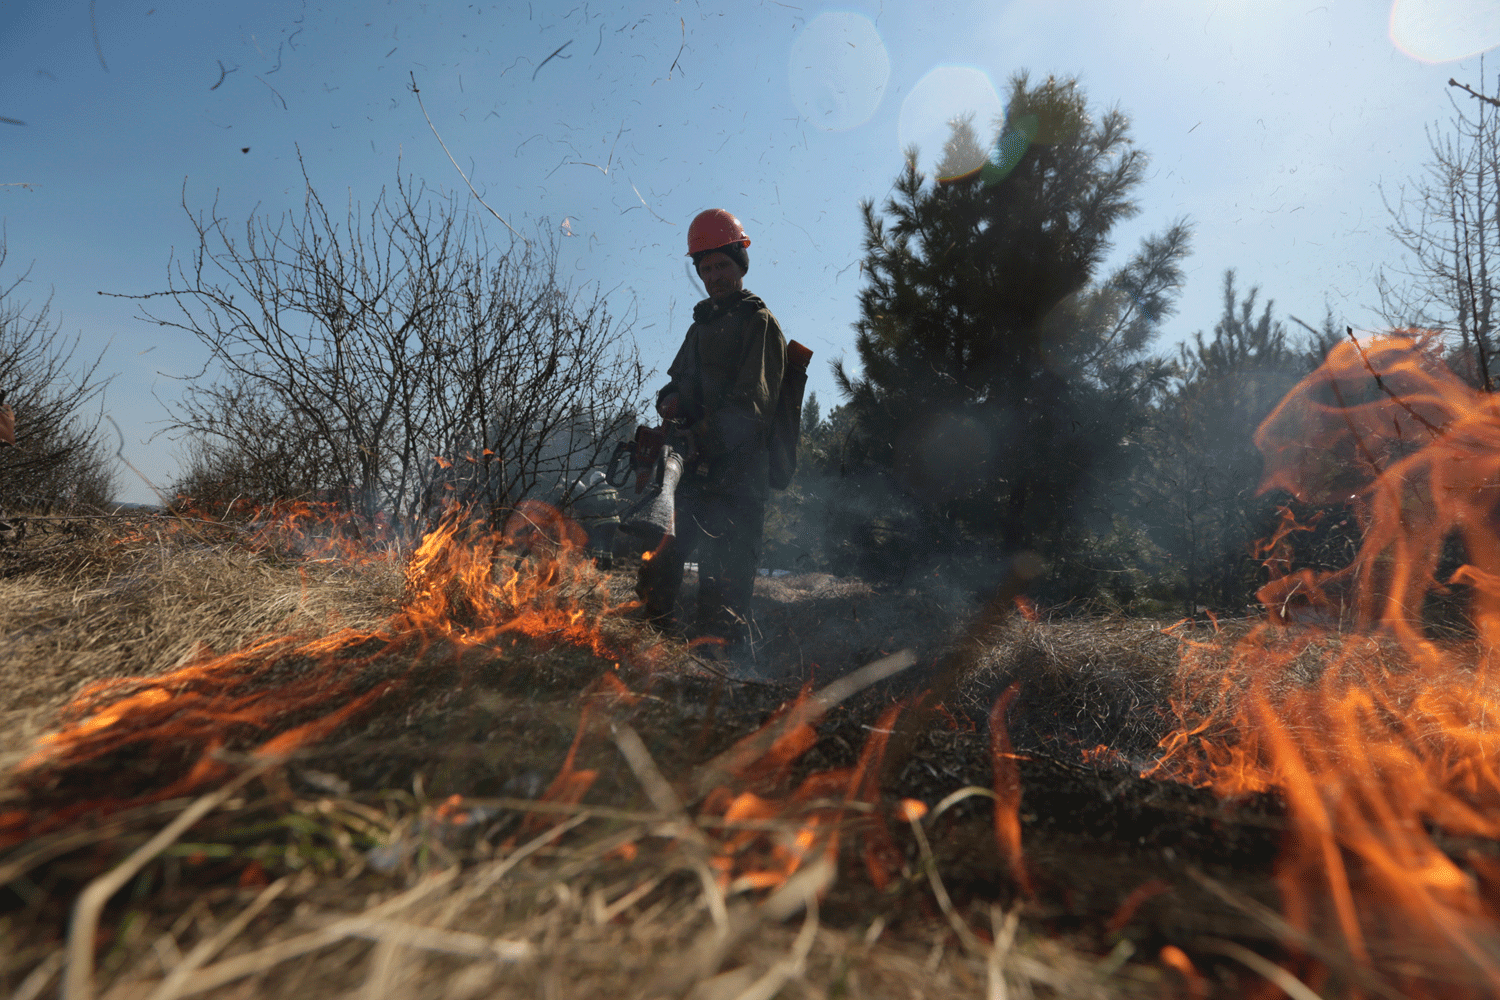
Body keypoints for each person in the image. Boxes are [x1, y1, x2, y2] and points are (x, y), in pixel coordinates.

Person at [636, 208, 786, 659]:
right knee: (657, 566)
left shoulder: (758, 323)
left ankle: (720, 686)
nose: (713, 275)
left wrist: (700, 435)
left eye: (721, 265)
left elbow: (751, 407)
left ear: (740, 264)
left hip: (737, 480)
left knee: (722, 596)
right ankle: (651, 661)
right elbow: (678, 383)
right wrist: (670, 402)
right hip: (693, 474)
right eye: (705, 268)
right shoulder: (700, 326)